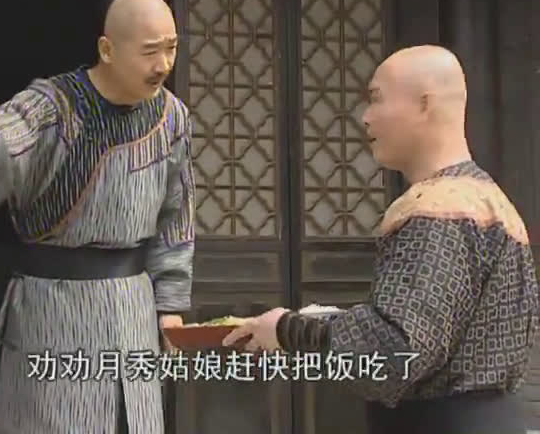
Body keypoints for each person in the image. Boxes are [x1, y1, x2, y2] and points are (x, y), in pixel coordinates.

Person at [223, 45, 539, 434]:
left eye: (376, 99)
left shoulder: (437, 207)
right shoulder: (493, 202)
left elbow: (396, 350)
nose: (365, 117)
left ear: (424, 104)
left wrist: (288, 331)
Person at [0, 0, 195, 434]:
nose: (163, 65)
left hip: (132, 309)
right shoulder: (50, 106)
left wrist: (169, 306)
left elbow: (175, 216)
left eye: (171, 48)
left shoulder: (172, 118)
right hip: (53, 312)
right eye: (150, 51)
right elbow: (8, 139)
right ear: (107, 49)